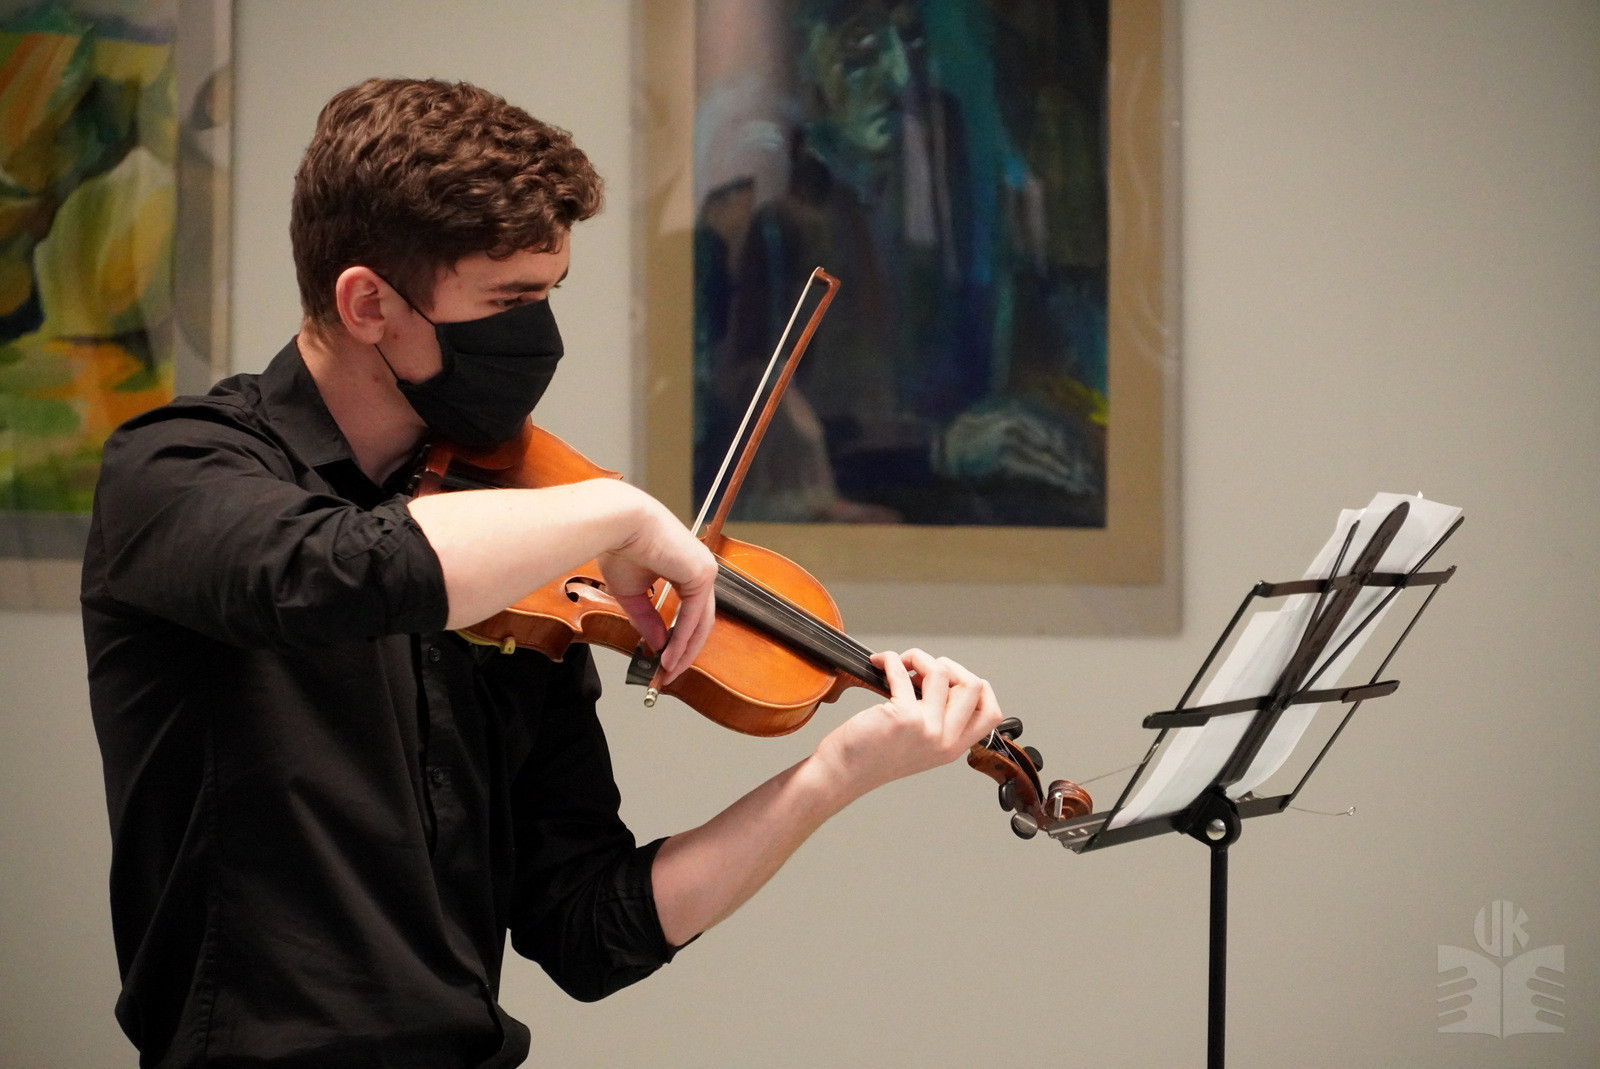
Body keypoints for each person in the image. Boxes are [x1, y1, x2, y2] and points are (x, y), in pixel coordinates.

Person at [82, 77, 1003, 1068]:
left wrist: (833, 773)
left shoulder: (525, 555)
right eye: (509, 302)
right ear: (368, 303)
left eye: (549, 293)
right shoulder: (176, 473)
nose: (539, 337)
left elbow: (588, 926)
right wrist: (612, 510)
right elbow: (333, 571)